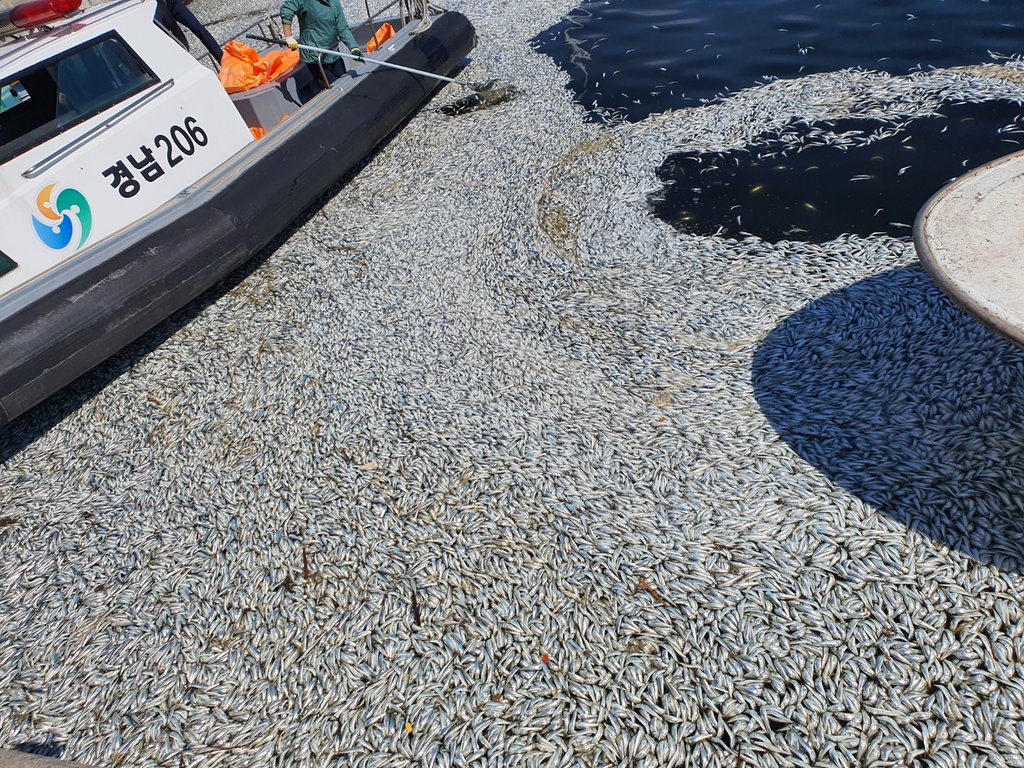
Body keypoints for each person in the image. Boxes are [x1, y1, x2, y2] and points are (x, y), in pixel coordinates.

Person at [280, 0, 363, 86]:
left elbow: (342, 28)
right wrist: (288, 37)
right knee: (334, 87)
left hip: (333, 52)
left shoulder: (334, 2)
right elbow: (286, 9)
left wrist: (353, 47)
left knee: (345, 82)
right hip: (315, 56)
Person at [155, 0, 223, 63]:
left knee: (199, 29)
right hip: (156, 9)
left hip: (172, 2)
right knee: (179, 43)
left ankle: (224, 62)